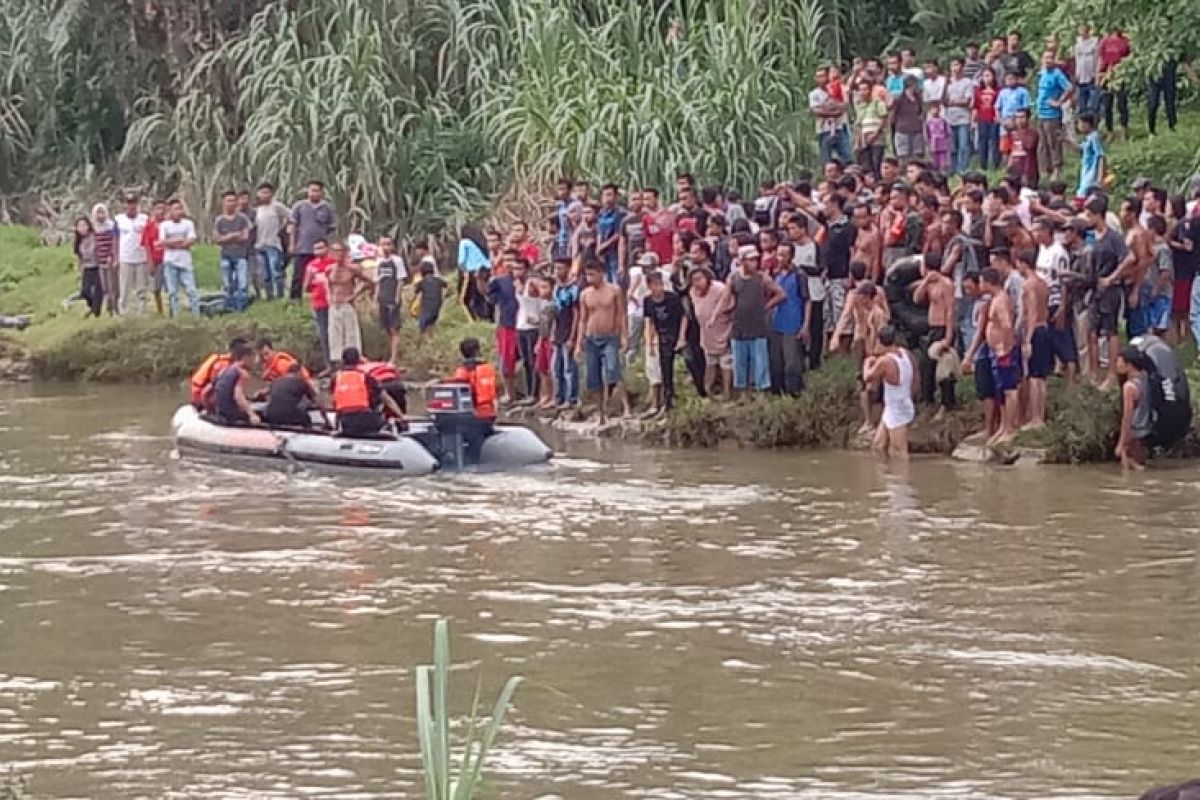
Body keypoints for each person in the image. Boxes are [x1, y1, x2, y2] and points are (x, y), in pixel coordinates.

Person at [722, 245, 784, 396]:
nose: (754, 263)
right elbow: (725, 300)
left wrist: (766, 306)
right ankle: (743, 393)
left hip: (758, 327)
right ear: (742, 261)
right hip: (739, 326)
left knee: (760, 362)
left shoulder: (762, 278)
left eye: (756, 260)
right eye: (750, 260)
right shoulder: (733, 278)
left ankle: (762, 392)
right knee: (740, 362)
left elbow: (781, 294)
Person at [575, 259, 630, 423]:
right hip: (591, 338)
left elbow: (621, 314)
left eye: (592, 274)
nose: (589, 278)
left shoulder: (614, 290)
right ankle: (601, 414)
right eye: (587, 275)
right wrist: (579, 342)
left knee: (614, 370)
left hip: (610, 337)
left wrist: (624, 336)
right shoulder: (585, 294)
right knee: (594, 377)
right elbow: (582, 320)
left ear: (601, 273)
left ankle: (626, 407)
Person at [1086, 194, 1130, 388]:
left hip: (1110, 290)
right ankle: (1094, 372)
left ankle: (1112, 373)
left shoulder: (1114, 238)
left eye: (1089, 215)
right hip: (1095, 289)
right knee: (1092, 331)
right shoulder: (1093, 237)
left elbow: (1128, 258)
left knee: (1110, 331)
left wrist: (1112, 278)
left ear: (1098, 215)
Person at [973, 267, 1019, 444]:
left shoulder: (1000, 301)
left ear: (987, 281)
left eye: (981, 281)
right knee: (1001, 391)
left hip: (1003, 351)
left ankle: (1010, 428)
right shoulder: (995, 299)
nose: (980, 284)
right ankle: (1003, 426)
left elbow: (1007, 326)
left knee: (1009, 389)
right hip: (996, 352)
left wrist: (1005, 349)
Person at [1033, 217, 1077, 383]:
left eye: (1037, 230)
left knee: (1062, 338)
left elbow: (1065, 282)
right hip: (1044, 300)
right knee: (1049, 338)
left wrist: (1062, 308)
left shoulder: (1059, 253)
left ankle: (1072, 379)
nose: (1034, 234)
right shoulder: (1042, 249)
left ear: (1046, 231)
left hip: (1056, 300)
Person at [863, 325, 914, 461]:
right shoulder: (905, 353)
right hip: (896, 406)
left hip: (898, 409)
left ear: (880, 341)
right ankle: (884, 477)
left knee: (899, 451)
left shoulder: (884, 362)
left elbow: (867, 377)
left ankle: (903, 479)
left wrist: (867, 363)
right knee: (878, 446)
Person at [913, 252, 956, 411]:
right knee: (926, 364)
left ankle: (948, 403)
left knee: (945, 366)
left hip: (943, 327)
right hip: (932, 327)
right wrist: (925, 282)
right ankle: (928, 398)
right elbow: (916, 299)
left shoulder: (946, 284)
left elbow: (950, 310)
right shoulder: (929, 284)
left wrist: (948, 335)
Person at [642, 270, 687, 415]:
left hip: (675, 333)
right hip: (661, 337)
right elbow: (649, 321)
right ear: (649, 286)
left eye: (661, 284)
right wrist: (650, 343)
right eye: (656, 284)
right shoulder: (648, 301)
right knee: (665, 370)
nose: (659, 287)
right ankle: (667, 402)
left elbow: (684, 317)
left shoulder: (672, 299)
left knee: (691, 362)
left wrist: (681, 338)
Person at [1016, 247, 1050, 428]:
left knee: (1034, 376)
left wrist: (1027, 339)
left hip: (1035, 330)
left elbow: (1032, 311)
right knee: (1041, 376)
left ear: (1023, 264)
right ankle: (1040, 416)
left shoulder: (1029, 285)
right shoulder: (1043, 283)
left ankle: (1036, 418)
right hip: (1044, 327)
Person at [325, 241, 373, 370]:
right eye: (335, 251)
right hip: (334, 305)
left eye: (340, 251)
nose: (337, 254)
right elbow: (328, 284)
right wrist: (329, 296)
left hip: (347, 304)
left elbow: (368, 281)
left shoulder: (352, 268)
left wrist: (354, 295)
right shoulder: (329, 269)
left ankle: (353, 363)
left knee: (351, 336)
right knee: (335, 336)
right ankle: (337, 366)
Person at [332, 347, 401, 437]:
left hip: (346, 422)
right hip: (365, 420)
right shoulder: (367, 377)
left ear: (343, 361)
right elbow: (387, 399)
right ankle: (389, 426)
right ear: (359, 361)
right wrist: (401, 416)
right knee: (380, 415)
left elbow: (335, 402)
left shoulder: (335, 378)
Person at [451, 337, 499, 463]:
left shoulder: (463, 371)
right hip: (490, 414)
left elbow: (458, 393)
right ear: (478, 351)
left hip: (473, 417)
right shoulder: (489, 368)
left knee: (473, 446)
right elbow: (493, 394)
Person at [769, 240, 808, 396]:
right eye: (779, 255)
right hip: (776, 322)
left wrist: (805, 325)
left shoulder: (799, 275)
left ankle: (795, 391)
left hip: (793, 323)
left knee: (792, 362)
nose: (780, 258)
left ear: (792, 256)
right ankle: (778, 391)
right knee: (776, 361)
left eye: (784, 255)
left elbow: (807, 300)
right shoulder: (774, 274)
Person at [290, 180, 337, 299]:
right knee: (298, 274)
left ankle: (320, 297)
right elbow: (293, 226)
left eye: (317, 191)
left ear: (322, 192)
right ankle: (295, 299)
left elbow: (331, 228)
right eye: (311, 190)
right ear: (307, 191)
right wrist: (292, 243)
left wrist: (330, 246)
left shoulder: (326, 208)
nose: (314, 193)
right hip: (303, 247)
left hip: (321, 249)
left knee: (321, 274)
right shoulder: (299, 206)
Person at [483, 262, 519, 403]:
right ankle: (509, 393)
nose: (511, 266)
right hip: (507, 324)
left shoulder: (532, 280)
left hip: (528, 325)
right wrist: (482, 281)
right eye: (507, 261)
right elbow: (490, 299)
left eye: (514, 262)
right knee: (506, 361)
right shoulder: (499, 281)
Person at [1035, 50, 1073, 183]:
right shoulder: (1042, 73)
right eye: (1046, 58)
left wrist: (1059, 101)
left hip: (1052, 114)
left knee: (1053, 142)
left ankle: (1057, 169)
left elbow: (1069, 88)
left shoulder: (1057, 74)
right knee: (1042, 143)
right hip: (1041, 113)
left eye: (1050, 58)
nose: (1048, 60)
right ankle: (1045, 169)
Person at [158, 199, 200, 317]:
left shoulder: (188, 224)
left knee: (192, 291)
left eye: (180, 208)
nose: (179, 211)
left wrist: (173, 243)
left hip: (186, 262)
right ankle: (176, 316)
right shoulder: (164, 225)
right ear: (170, 211)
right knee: (173, 292)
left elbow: (191, 240)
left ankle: (196, 316)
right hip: (170, 262)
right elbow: (162, 242)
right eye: (176, 209)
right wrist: (180, 240)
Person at [213, 190, 252, 313]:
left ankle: (240, 310)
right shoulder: (219, 220)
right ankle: (228, 309)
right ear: (223, 203)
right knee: (227, 285)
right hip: (225, 256)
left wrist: (226, 238)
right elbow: (217, 239)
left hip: (241, 255)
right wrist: (233, 235)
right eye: (228, 200)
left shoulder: (243, 219)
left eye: (233, 200)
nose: (231, 203)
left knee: (242, 284)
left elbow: (245, 237)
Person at [550, 257, 581, 408]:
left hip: (569, 332)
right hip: (558, 333)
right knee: (556, 368)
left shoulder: (573, 289)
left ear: (568, 269)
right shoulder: (556, 289)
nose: (557, 272)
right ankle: (558, 397)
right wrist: (552, 333)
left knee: (569, 368)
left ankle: (571, 399)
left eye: (560, 268)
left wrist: (572, 337)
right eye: (555, 268)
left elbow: (576, 314)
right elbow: (555, 313)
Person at [254, 182, 291, 300]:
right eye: (262, 192)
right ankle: (269, 296)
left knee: (276, 270)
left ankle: (280, 294)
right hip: (259, 245)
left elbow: (291, 216)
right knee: (265, 273)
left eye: (267, 192)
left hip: (273, 244)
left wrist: (284, 228)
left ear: (272, 194)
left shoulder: (276, 207)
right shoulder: (257, 210)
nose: (265, 195)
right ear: (258, 194)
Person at [114, 193, 150, 316]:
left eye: (133, 203)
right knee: (124, 288)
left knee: (142, 288)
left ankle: (142, 312)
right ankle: (124, 312)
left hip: (141, 257)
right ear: (124, 205)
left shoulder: (144, 219)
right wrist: (115, 257)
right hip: (125, 257)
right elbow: (115, 239)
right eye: (128, 203)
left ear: (137, 204)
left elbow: (149, 237)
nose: (131, 206)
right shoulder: (119, 219)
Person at [189, 338, 247, 412]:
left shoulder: (228, 362)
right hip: (201, 396)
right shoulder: (222, 363)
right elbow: (215, 387)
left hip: (202, 393)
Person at [374, 235, 407, 364]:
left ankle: (394, 358)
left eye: (388, 244)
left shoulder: (397, 261)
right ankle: (389, 355)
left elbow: (400, 280)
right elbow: (377, 281)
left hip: (392, 298)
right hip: (382, 298)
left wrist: (397, 297)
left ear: (392, 246)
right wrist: (376, 298)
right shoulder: (378, 262)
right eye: (383, 244)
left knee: (394, 328)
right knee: (386, 328)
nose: (386, 247)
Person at [263, 362, 325, 428]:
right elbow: (319, 402)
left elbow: (261, 394)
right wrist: (327, 421)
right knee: (306, 418)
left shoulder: (276, 381)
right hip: (290, 416)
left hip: (271, 416)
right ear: (299, 372)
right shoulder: (302, 383)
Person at [810, 66, 851, 166]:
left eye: (823, 76)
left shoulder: (838, 89)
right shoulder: (814, 94)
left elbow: (844, 106)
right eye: (818, 76)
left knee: (847, 156)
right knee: (826, 158)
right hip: (823, 130)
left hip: (839, 127)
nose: (821, 79)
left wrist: (827, 108)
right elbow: (816, 110)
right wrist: (833, 112)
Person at [302, 239, 334, 370]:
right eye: (316, 249)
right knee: (324, 334)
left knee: (335, 333)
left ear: (327, 248)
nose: (319, 251)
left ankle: (340, 362)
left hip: (333, 302)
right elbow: (306, 286)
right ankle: (329, 365)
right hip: (319, 303)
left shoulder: (333, 263)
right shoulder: (311, 266)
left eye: (321, 248)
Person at [213, 341, 260, 426]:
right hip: (232, 414)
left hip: (221, 412)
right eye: (254, 356)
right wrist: (252, 415)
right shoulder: (242, 373)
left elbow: (209, 390)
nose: (255, 361)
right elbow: (238, 395)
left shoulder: (225, 369)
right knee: (262, 411)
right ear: (246, 357)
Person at [1098, 27, 1131, 138]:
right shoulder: (1104, 41)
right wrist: (1099, 75)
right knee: (1107, 104)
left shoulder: (1125, 41)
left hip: (1120, 74)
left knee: (1122, 103)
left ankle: (1124, 129)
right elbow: (1101, 59)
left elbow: (1129, 59)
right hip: (1106, 75)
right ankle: (1109, 131)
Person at [852, 78, 888, 178]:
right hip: (864, 139)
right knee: (866, 165)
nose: (863, 92)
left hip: (877, 138)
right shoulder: (860, 106)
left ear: (870, 90)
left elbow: (884, 118)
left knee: (877, 162)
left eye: (865, 89)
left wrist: (875, 134)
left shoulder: (878, 103)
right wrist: (859, 140)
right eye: (860, 90)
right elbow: (859, 124)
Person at [944, 58, 975, 175]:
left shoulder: (967, 82)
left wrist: (952, 102)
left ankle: (963, 169)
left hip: (963, 118)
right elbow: (943, 100)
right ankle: (952, 169)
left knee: (964, 145)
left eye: (957, 65)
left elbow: (967, 101)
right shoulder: (947, 82)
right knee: (952, 146)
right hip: (949, 118)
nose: (954, 68)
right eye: (952, 65)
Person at [1146, 215, 1174, 338]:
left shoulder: (1162, 249)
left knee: (1160, 328)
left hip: (1161, 294)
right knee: (1152, 325)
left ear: (1154, 230)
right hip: (1153, 292)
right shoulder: (1152, 247)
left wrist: (1156, 290)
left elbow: (1165, 272)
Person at [90, 203, 119, 316]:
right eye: (98, 213)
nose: (100, 215)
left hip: (110, 259)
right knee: (104, 286)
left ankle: (115, 308)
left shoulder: (111, 226)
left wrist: (112, 256)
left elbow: (114, 242)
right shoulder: (93, 228)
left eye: (102, 212)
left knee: (113, 285)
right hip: (99, 260)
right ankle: (108, 309)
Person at [73, 217, 103, 318]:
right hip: (87, 268)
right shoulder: (78, 241)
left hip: (97, 266)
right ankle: (92, 307)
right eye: (79, 226)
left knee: (98, 291)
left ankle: (96, 312)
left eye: (84, 225)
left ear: (88, 225)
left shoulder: (94, 236)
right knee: (85, 291)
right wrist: (78, 271)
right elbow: (78, 257)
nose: (82, 228)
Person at [595, 183, 626, 283]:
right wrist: (599, 247)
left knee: (616, 282)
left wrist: (603, 246)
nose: (607, 198)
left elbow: (618, 234)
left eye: (610, 195)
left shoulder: (620, 213)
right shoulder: (601, 213)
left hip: (615, 252)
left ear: (616, 196)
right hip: (604, 254)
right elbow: (599, 231)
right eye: (605, 195)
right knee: (606, 281)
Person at [892, 76, 925, 164]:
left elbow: (921, 112)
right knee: (903, 155)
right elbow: (893, 114)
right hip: (902, 129)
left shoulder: (918, 98)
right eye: (915, 85)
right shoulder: (899, 98)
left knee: (917, 154)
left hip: (916, 129)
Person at [974, 68, 1001, 171]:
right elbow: (976, 107)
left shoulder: (998, 90)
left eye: (989, 75)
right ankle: (983, 166)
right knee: (982, 143)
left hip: (994, 119)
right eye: (985, 76)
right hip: (982, 119)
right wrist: (974, 121)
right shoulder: (978, 91)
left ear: (993, 77)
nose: (987, 78)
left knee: (995, 142)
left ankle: (995, 165)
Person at [142, 200, 166, 315]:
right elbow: (147, 245)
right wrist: (150, 262)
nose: (161, 211)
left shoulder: (169, 224)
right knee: (156, 288)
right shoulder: (149, 227)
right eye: (158, 208)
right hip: (156, 260)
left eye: (163, 208)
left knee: (171, 287)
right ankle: (159, 310)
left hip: (169, 260)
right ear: (153, 211)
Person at [413, 259, 446, 341]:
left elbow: (416, 294)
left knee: (422, 326)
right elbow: (448, 286)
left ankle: (420, 343)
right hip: (438, 306)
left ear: (422, 272)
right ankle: (431, 339)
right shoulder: (438, 280)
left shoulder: (421, 282)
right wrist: (445, 297)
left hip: (426, 307)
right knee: (431, 324)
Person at [1073, 24, 1100, 115]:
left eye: (1084, 32)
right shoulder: (1078, 45)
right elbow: (1077, 60)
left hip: (1091, 76)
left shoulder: (1094, 43)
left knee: (1093, 103)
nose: (1082, 35)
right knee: (1082, 102)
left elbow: (1097, 59)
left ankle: (1093, 119)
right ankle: (1082, 118)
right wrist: (1077, 73)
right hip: (1081, 77)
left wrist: (1096, 73)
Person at [924, 102, 951, 173]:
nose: (935, 111)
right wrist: (928, 144)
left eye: (936, 109)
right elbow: (927, 134)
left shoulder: (943, 121)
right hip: (933, 145)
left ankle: (943, 174)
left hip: (942, 144)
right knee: (934, 163)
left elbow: (948, 133)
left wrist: (947, 142)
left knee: (943, 163)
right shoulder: (928, 122)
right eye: (932, 109)